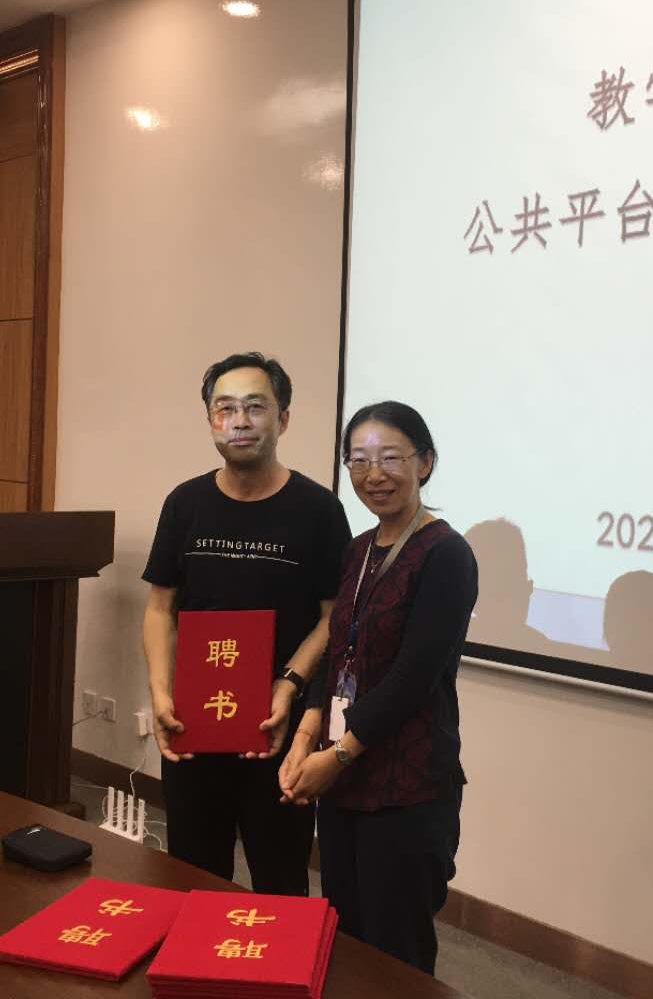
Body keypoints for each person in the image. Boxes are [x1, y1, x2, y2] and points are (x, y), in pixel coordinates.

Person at [278, 401, 478, 975]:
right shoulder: (360, 548)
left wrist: (338, 755)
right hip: (345, 776)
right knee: (346, 934)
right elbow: (339, 648)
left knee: (396, 953)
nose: (374, 475)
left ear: (425, 463)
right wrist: (307, 734)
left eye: (391, 458)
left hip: (405, 784)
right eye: (359, 461)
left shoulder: (446, 554)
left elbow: (413, 678)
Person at [141, 352, 351, 895]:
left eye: (255, 407)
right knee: (192, 876)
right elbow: (160, 608)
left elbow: (333, 618)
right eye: (225, 408)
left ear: (283, 419)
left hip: (278, 728)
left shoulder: (319, 510)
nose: (239, 421)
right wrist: (161, 692)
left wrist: (290, 683)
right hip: (194, 723)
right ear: (210, 419)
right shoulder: (185, 504)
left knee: (279, 881)